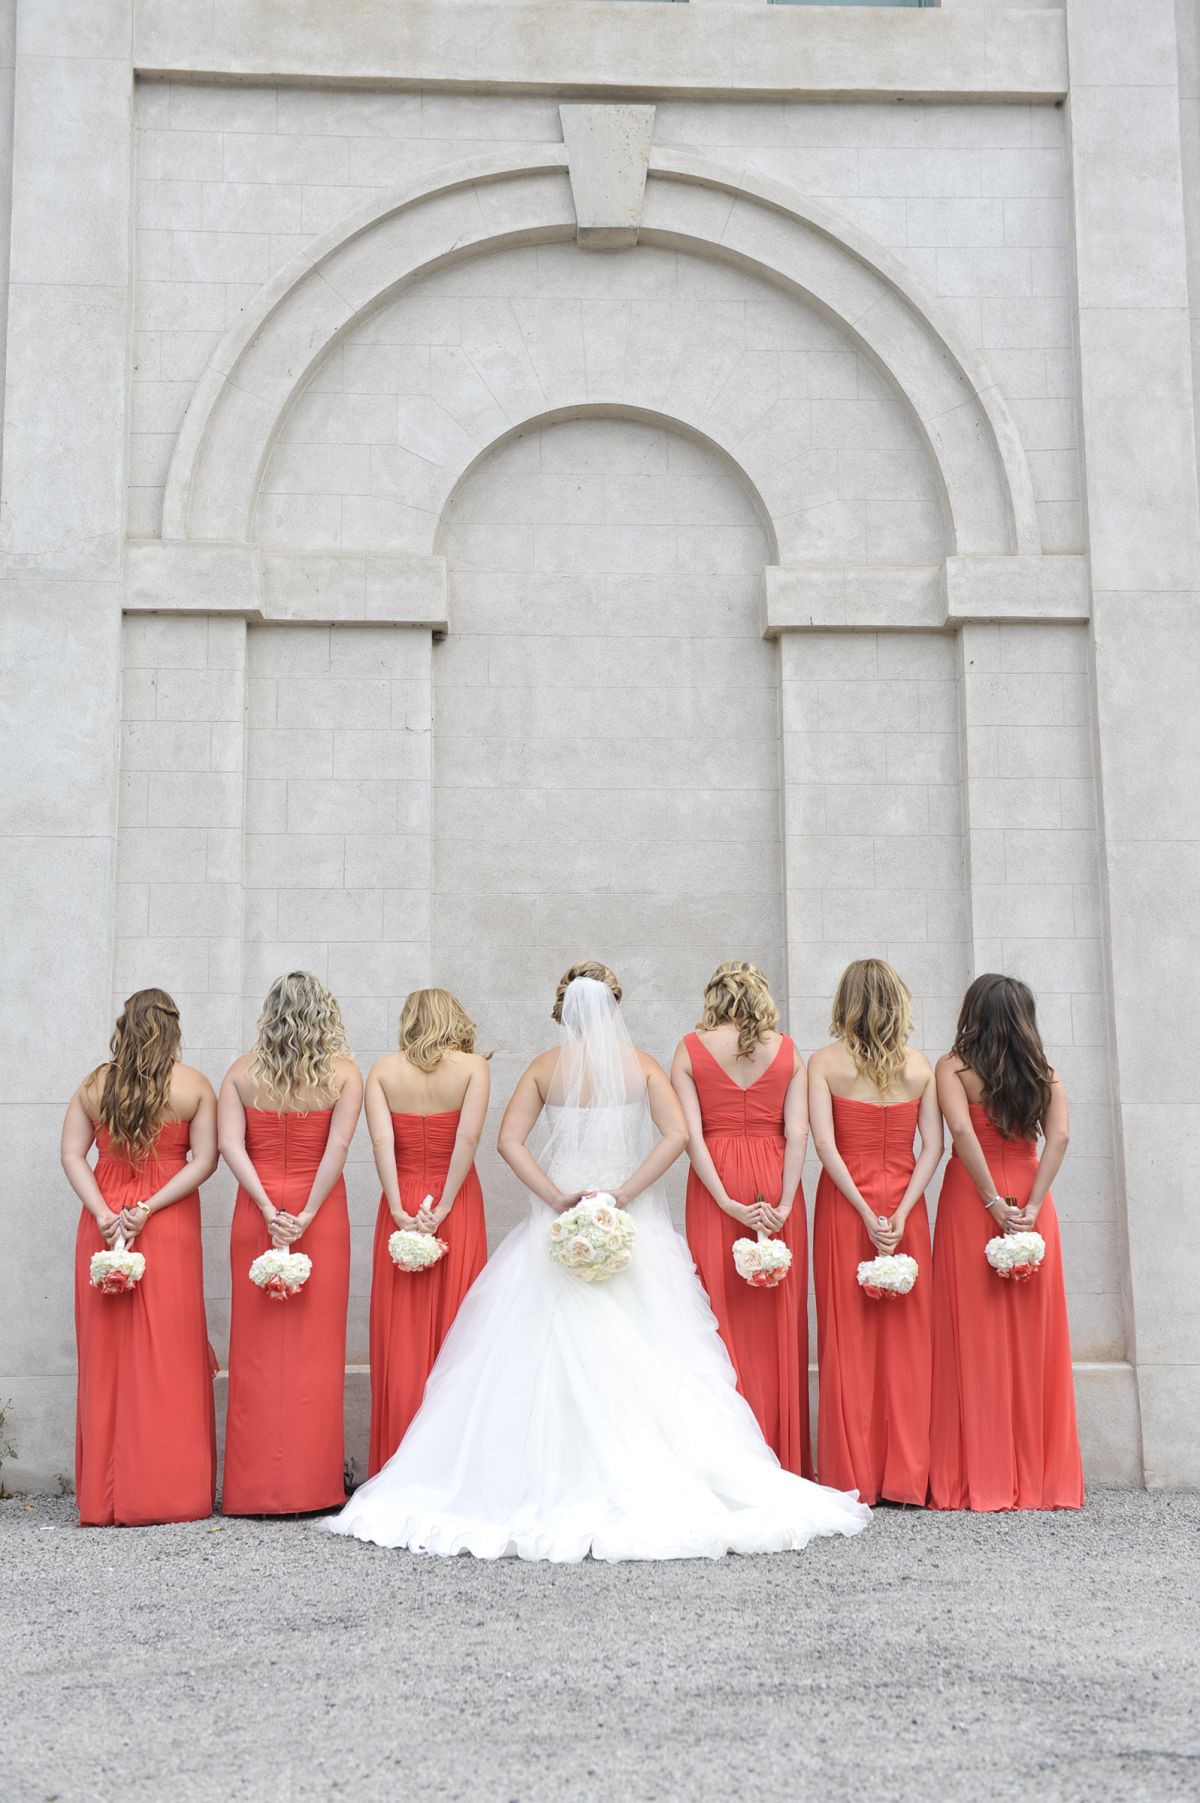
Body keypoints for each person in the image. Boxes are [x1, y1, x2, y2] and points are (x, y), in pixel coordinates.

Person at [327, 962, 870, 1560]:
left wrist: (556, 1195)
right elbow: (678, 1136)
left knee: (533, 1352)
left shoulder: (543, 1068)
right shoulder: (639, 1066)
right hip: (627, 1222)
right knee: (656, 1352)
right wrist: (625, 1193)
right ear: (614, 1006)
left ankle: (541, 1478)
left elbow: (508, 1142)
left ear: (564, 1009)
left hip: (559, 1223)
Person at [61, 988, 218, 1526]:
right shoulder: (194, 1085)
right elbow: (205, 1160)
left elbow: (71, 1154)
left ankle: (106, 1498)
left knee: (106, 1356)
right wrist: (148, 1206)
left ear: (124, 1024)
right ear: (172, 1027)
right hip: (168, 1222)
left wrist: (104, 1211)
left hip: (102, 1219)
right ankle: (167, 1492)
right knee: (167, 1352)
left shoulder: (94, 1084)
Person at [930, 974, 1083, 1511]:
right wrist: (1033, 1205)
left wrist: (993, 1202)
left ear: (974, 1011)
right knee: (1033, 1337)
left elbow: (962, 1135)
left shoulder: (953, 1067)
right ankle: (1042, 1478)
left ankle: (975, 1475)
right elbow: (1059, 1136)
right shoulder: (1044, 1073)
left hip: (972, 1199)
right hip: (1030, 1191)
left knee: (970, 1333)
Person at [219, 972, 361, 1515]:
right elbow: (340, 1146)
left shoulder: (239, 1072)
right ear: (324, 1012)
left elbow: (232, 1146)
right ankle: (310, 1487)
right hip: (318, 1215)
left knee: (254, 1351)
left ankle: (252, 1490)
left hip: (259, 1213)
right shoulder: (344, 1074)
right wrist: (302, 1216)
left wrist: (266, 1208)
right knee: (314, 1351)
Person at [808, 959, 940, 1505]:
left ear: (847, 1002)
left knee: (848, 1338)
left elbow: (825, 1146)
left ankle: (852, 1474)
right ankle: (907, 1476)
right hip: (904, 1204)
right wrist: (903, 1213)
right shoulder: (920, 1065)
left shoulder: (824, 1063)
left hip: (846, 1205)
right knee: (909, 1341)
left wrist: (863, 1212)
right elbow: (932, 1147)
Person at [672, 961, 811, 1475]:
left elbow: (691, 1136)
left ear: (714, 995)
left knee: (717, 1311)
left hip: (715, 1184)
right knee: (775, 1314)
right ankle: (777, 1451)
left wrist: (726, 1202)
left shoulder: (690, 1049)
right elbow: (798, 1134)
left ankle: (722, 1457)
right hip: (775, 1180)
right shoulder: (790, 1051)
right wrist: (787, 1202)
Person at [365, 988, 490, 1473]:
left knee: (401, 1326)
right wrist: (446, 1203)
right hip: (453, 1200)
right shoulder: (474, 1067)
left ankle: (399, 1456)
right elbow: (469, 1137)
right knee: (459, 1323)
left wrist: (398, 1206)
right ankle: (453, 1462)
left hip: (401, 1197)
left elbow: (381, 1139)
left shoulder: (383, 1070)